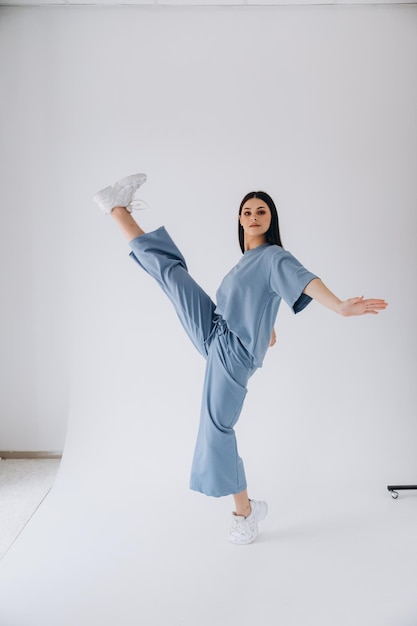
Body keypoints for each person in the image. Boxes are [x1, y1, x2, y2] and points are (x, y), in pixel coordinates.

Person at [93, 173, 388, 545]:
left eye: (261, 211)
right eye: (246, 211)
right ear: (239, 220)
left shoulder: (274, 256)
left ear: (271, 219)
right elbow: (262, 299)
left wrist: (341, 306)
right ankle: (117, 207)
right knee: (172, 275)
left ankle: (246, 513)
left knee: (217, 426)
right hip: (217, 329)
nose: (253, 216)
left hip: (232, 353)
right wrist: (267, 329)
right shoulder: (247, 260)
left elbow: (301, 280)